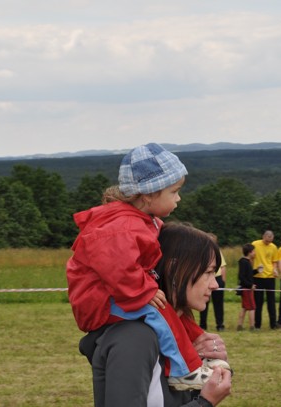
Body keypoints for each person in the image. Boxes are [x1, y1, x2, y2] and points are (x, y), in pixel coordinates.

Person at [67, 143, 222, 391]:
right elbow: (118, 269)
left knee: (169, 309)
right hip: (104, 300)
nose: (179, 198)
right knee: (160, 311)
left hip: (116, 293)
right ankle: (183, 371)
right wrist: (145, 290)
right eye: (174, 192)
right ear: (149, 194)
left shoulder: (141, 221)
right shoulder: (123, 227)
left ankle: (199, 347)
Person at [78, 222, 232, 406]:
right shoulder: (135, 337)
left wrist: (213, 367)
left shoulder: (177, 328)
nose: (215, 284)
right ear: (175, 270)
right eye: (208, 272)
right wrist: (204, 403)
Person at [252, 230, 279, 329]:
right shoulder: (255, 244)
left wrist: (275, 270)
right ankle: (257, 324)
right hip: (258, 277)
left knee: (271, 302)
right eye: (267, 240)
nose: (268, 242)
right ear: (263, 236)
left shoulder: (274, 247)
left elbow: (274, 261)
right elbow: (250, 256)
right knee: (258, 302)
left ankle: (273, 324)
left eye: (270, 241)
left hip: (270, 277)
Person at [199, 233, 227, 332]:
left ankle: (220, 324)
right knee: (204, 302)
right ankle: (202, 325)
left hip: (217, 278)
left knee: (218, 303)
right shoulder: (201, 252)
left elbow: (223, 267)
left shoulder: (218, 252)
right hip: (205, 278)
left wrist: (223, 281)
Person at [236, 243, 256, 331]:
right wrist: (250, 285)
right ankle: (252, 327)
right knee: (252, 307)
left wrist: (257, 271)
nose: (255, 253)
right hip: (246, 289)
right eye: (254, 251)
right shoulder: (244, 262)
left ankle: (239, 326)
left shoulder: (247, 262)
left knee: (244, 308)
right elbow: (241, 276)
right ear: (250, 252)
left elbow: (249, 274)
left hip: (246, 288)